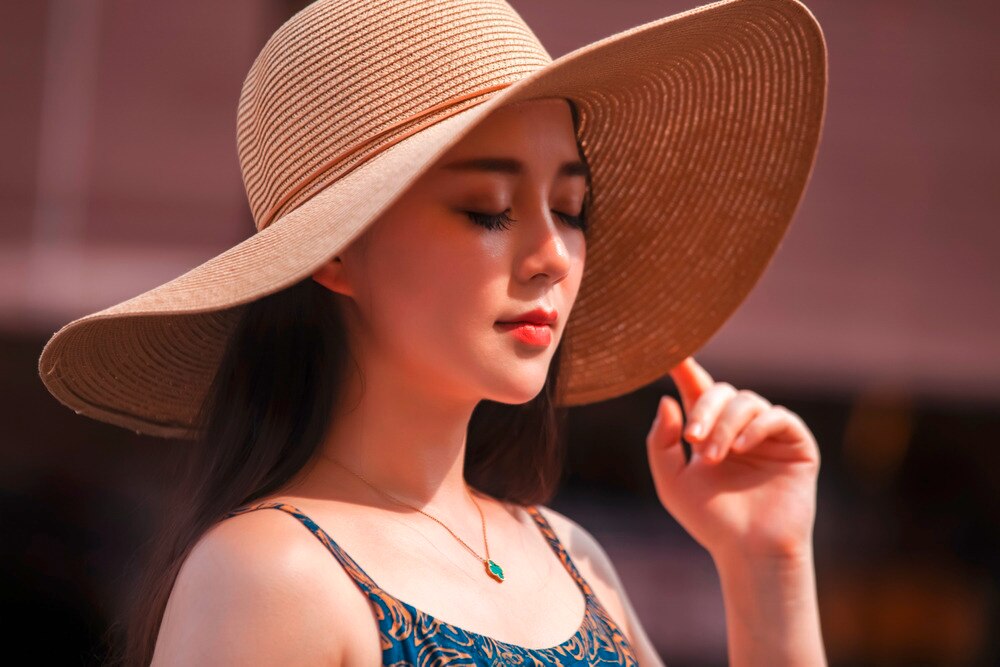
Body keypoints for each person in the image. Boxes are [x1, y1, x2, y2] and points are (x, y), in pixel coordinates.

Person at [37, 0, 829, 665]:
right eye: (488, 207)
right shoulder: (271, 573)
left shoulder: (571, 557)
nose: (553, 254)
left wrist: (766, 560)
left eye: (571, 209)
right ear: (337, 251)